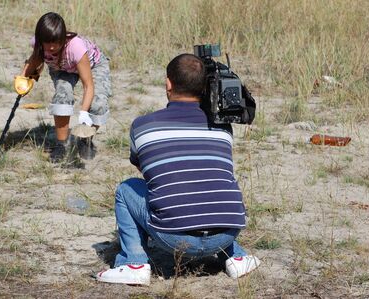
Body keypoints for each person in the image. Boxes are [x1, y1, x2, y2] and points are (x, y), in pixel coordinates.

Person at [96, 54, 260, 285]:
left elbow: (146, 171)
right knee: (213, 180)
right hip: (225, 236)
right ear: (204, 86)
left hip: (172, 238)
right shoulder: (223, 128)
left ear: (168, 84)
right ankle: (237, 256)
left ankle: (133, 263)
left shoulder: (143, 126)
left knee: (126, 188)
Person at [19, 12, 112, 162]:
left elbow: (88, 85)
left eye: (55, 43)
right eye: (47, 43)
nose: (51, 47)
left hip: (93, 66)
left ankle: (85, 139)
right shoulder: (38, 43)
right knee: (62, 96)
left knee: (98, 104)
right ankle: (61, 144)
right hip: (62, 67)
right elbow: (35, 59)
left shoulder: (76, 47)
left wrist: (83, 112)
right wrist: (23, 79)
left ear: (63, 38)